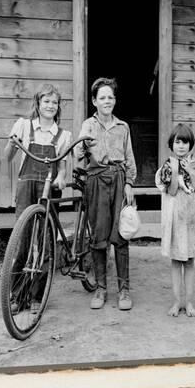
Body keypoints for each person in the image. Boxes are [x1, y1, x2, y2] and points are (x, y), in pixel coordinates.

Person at [5, 83, 72, 313]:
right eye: (46, 101)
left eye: (54, 102)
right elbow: (8, 156)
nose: (50, 106)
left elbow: (63, 167)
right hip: (26, 187)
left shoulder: (63, 135)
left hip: (49, 189)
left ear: (58, 107)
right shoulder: (24, 126)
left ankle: (37, 297)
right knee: (22, 239)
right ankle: (17, 295)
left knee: (45, 241)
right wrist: (11, 143)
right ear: (38, 103)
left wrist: (61, 177)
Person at [75, 77, 137, 311]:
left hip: (119, 180)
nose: (107, 101)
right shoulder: (88, 125)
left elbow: (129, 157)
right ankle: (101, 288)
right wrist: (83, 146)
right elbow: (79, 155)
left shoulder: (123, 127)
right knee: (99, 237)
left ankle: (124, 290)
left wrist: (130, 183)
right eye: (102, 97)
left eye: (110, 97)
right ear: (94, 101)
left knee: (121, 235)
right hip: (96, 181)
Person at [155, 123, 195, 317]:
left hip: (191, 218)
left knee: (189, 262)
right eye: (177, 142)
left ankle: (189, 303)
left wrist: (191, 171)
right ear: (172, 144)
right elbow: (170, 190)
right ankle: (176, 301)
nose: (181, 146)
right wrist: (177, 171)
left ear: (190, 145)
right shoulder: (167, 166)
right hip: (175, 218)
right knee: (176, 261)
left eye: (185, 142)